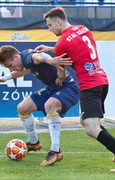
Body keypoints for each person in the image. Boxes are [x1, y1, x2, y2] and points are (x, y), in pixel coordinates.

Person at [34, 7, 115, 171]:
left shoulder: (62, 42)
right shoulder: (83, 29)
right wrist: (53, 49)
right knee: (86, 123)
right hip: (101, 80)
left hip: (89, 84)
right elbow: (76, 47)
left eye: (50, 25)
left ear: (58, 21)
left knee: (92, 128)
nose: (49, 29)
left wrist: (60, 77)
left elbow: (61, 72)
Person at [0, 45, 79, 166]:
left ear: (16, 57)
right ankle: (33, 143)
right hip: (52, 88)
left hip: (68, 88)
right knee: (22, 108)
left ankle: (55, 151)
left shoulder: (28, 57)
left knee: (50, 106)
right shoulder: (24, 61)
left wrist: (51, 60)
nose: (11, 69)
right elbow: (22, 71)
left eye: (10, 66)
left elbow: (40, 56)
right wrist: (4, 78)